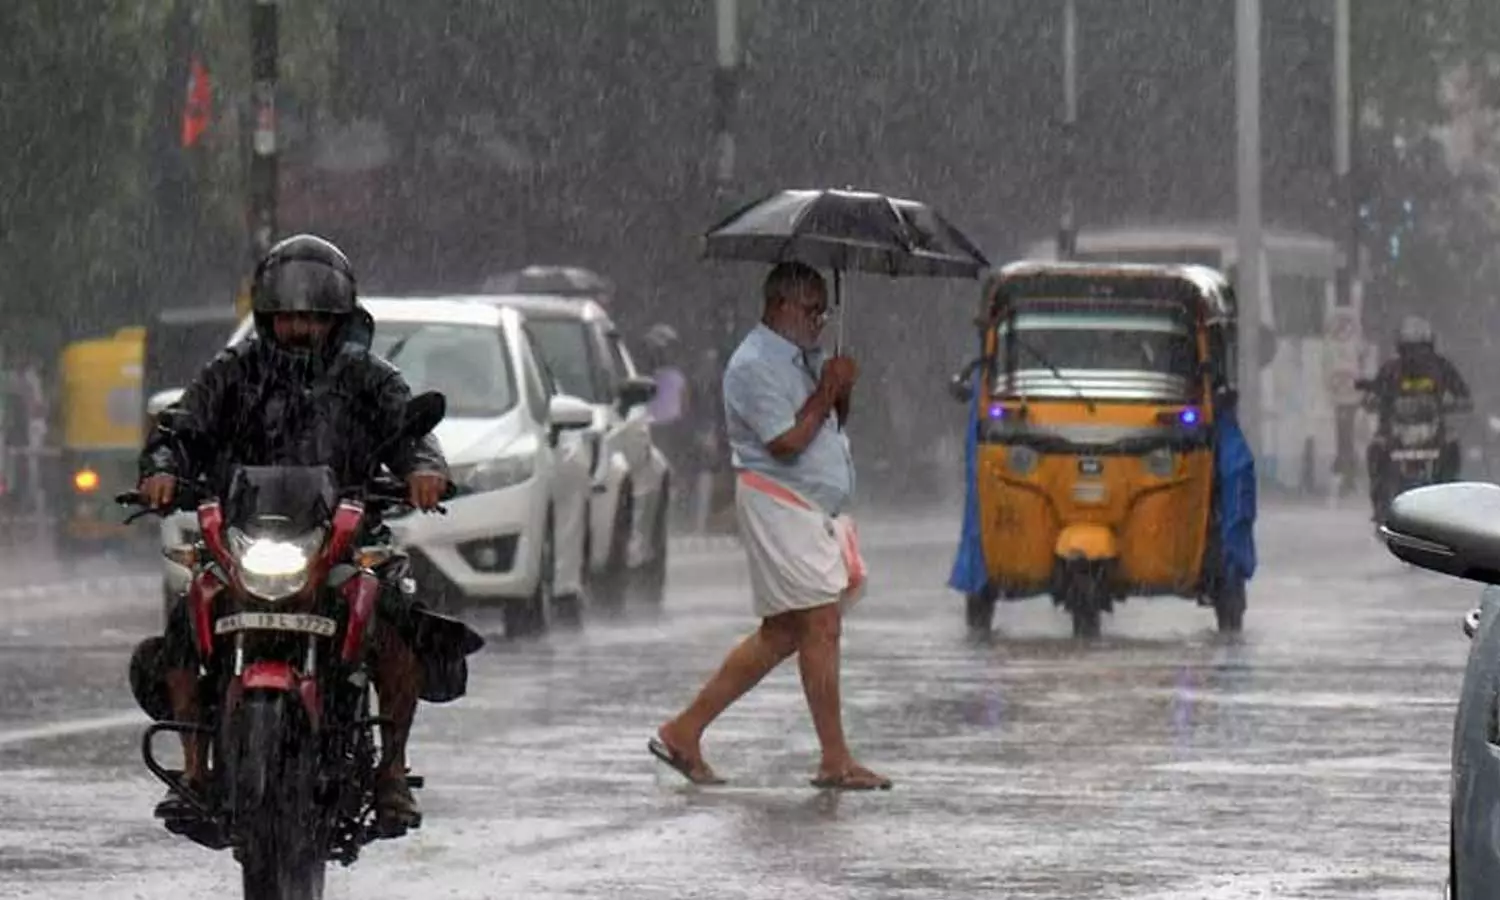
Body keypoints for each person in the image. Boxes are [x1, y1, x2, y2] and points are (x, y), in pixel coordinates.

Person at [136, 234, 450, 832]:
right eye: (288, 317)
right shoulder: (233, 370)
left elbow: (412, 435)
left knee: (400, 618)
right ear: (266, 317)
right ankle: (196, 767)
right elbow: (181, 427)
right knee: (186, 616)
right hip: (245, 536)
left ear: (337, 320)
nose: (300, 328)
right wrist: (162, 469)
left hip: (345, 538)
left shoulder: (369, 377)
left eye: (313, 317)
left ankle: (391, 770)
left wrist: (424, 470)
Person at [649, 261, 890, 791]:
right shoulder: (753, 364)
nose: (818, 320)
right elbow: (784, 440)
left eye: (823, 311)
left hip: (813, 509)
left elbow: (829, 421)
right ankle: (835, 758)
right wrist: (826, 391)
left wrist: (839, 387)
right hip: (782, 504)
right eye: (810, 310)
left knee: (784, 633)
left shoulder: (806, 356)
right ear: (780, 305)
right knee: (821, 625)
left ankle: (684, 731)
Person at [1362, 314, 1472, 514]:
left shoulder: (1441, 366)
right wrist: (1373, 400)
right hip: (1395, 429)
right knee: (1376, 450)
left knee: (1452, 446)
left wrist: (1458, 402)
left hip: (1433, 427)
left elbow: (1462, 391)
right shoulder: (1391, 369)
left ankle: (1448, 491)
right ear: (1401, 348)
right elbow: (1374, 392)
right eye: (1410, 349)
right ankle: (1380, 504)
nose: (1415, 355)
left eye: (1420, 349)